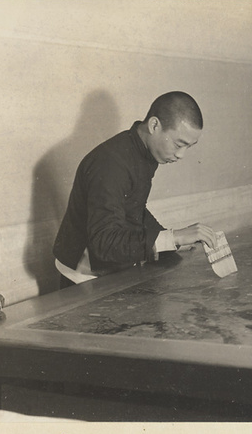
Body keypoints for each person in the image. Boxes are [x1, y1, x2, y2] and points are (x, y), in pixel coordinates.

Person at [53, 91, 217, 288]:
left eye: (188, 147)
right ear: (154, 125)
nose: (181, 155)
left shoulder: (142, 150)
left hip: (111, 272)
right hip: (84, 282)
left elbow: (134, 208)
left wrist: (170, 240)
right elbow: (103, 243)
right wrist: (172, 237)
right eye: (178, 144)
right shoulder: (110, 163)